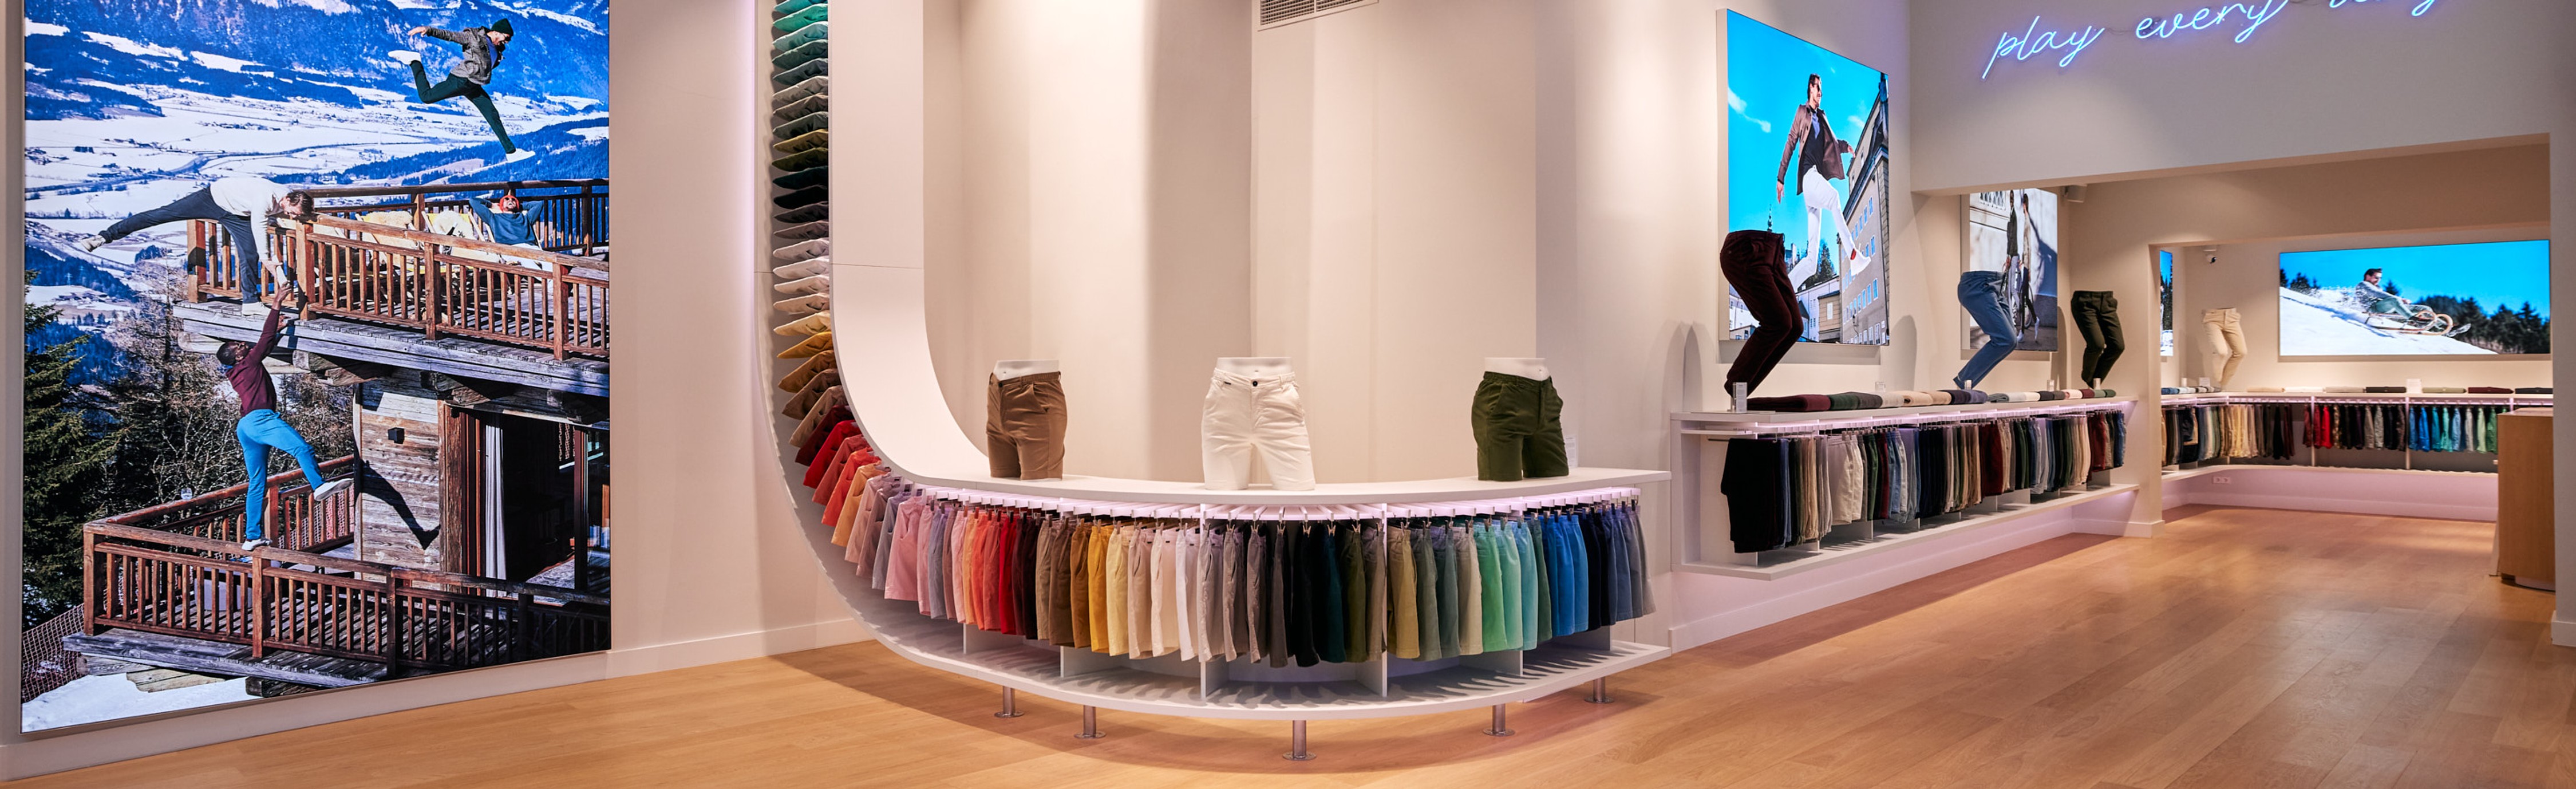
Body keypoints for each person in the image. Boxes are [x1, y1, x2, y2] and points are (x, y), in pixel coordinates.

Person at [218, 291, 352, 551]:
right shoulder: (249, 363)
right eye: (239, 347)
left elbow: (266, 343)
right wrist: (277, 304)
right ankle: (319, 486)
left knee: (257, 483)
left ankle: (252, 537)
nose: (243, 345)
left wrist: (278, 332)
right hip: (261, 420)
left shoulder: (238, 370)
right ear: (238, 357)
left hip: (245, 427)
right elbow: (264, 339)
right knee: (302, 449)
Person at [82, 177, 313, 315]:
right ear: (287, 200)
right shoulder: (266, 197)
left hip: (238, 214)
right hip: (213, 198)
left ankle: (251, 303)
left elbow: (267, 219)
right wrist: (267, 258)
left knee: (248, 256)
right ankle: (104, 237)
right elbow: (259, 225)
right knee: (161, 215)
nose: (293, 216)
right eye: (294, 212)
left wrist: (264, 253)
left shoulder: (286, 200)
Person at [1773, 74, 1860, 282]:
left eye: (1821, 88)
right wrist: (1781, 178)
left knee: (1812, 262)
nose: (1821, 92)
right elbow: (1791, 142)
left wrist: (1845, 146)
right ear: (1810, 89)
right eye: (1818, 88)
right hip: (1808, 176)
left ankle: (1785, 287)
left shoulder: (1821, 117)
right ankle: (1853, 254)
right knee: (1834, 198)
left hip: (1816, 181)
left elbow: (1832, 143)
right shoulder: (1802, 112)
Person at [398, 19, 518, 154]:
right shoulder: (474, 38)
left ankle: (511, 152)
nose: (507, 42)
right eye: (507, 38)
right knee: (426, 97)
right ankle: (415, 62)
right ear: (496, 32)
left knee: (492, 114)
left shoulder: (497, 48)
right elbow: (451, 36)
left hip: (474, 85)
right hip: (461, 80)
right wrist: (429, 30)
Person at [2357, 267, 2437, 324]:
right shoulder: (2364, 284)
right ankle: (2412, 318)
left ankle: (2439, 325)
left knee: (2424, 309)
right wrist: (2400, 299)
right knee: (2395, 300)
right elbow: (2376, 293)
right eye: (2376, 277)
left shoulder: (2378, 287)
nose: (2378, 280)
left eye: (2380, 278)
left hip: (2387, 307)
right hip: (2374, 308)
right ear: (2368, 276)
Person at [468, 190, 540, 248]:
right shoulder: (494, 218)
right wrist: (491, 205)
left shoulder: (526, 218)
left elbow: (539, 204)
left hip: (531, 247)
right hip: (509, 249)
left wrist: (520, 206)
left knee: (545, 261)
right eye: (507, 199)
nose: (510, 200)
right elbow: (473, 201)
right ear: (501, 205)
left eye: (513, 200)